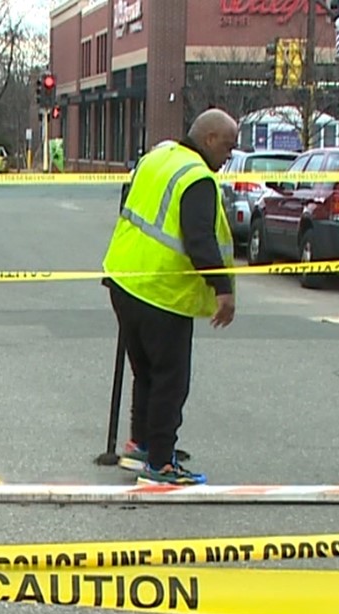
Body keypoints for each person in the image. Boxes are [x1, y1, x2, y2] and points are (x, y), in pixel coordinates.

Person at [101, 109, 239, 485]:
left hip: (123, 278)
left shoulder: (157, 157)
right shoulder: (197, 179)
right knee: (170, 380)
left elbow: (127, 206)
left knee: (146, 372)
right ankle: (160, 463)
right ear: (209, 139)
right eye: (228, 146)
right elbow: (200, 240)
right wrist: (223, 291)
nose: (230, 156)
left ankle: (142, 444)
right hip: (161, 290)